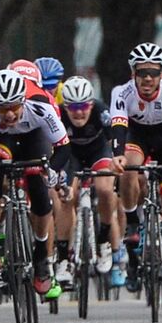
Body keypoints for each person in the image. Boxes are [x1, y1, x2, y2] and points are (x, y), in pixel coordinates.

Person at [0, 69, 73, 300]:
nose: (9, 114)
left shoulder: (41, 106)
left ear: (23, 100)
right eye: (2, 108)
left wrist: (52, 170)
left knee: (38, 187)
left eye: (14, 107)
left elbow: (63, 147)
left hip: (34, 137)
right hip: (0, 139)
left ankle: (41, 256)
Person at [109, 43, 162, 306]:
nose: (148, 79)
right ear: (133, 73)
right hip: (137, 137)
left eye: (154, 73)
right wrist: (117, 154)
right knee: (129, 166)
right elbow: (118, 126)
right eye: (142, 73)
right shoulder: (122, 92)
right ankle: (132, 221)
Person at [56, 75, 125, 287]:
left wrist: (117, 161)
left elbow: (115, 140)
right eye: (73, 107)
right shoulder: (58, 115)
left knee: (105, 189)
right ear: (65, 107)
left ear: (91, 104)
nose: (79, 112)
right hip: (71, 155)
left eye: (83, 106)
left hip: (98, 151)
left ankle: (104, 240)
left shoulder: (101, 112)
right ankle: (63, 258)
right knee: (67, 197)